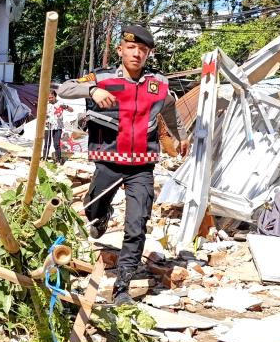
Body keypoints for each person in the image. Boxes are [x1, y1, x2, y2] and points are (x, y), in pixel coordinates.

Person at [58, 24, 189, 306]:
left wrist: (181, 136)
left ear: (148, 54)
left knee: (137, 224)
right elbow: (64, 89)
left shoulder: (157, 84)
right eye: (131, 48)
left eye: (142, 50)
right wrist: (92, 90)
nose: (136, 54)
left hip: (142, 164)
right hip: (108, 160)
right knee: (93, 210)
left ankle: (122, 289)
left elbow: (169, 109)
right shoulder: (102, 78)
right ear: (120, 50)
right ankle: (100, 215)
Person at [42, 89, 72, 163]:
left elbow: (72, 110)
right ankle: (44, 159)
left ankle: (58, 160)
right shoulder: (45, 104)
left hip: (58, 127)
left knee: (57, 144)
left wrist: (66, 107)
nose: (50, 99)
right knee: (47, 144)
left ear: (55, 96)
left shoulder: (60, 103)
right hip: (48, 126)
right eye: (48, 98)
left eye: (51, 97)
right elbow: (40, 114)